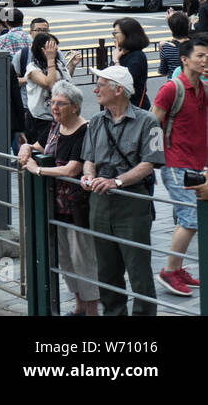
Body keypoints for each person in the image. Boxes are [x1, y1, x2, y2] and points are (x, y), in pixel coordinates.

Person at [81, 64, 164, 315]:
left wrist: (117, 182)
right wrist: (88, 176)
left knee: (138, 269)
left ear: (118, 90)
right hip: (100, 202)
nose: (95, 89)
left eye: (101, 85)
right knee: (106, 270)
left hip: (132, 201)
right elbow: (89, 159)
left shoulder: (149, 120)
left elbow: (151, 163)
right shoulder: (96, 121)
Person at [18, 80, 97, 315]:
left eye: (60, 103)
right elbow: (41, 147)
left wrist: (38, 170)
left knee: (83, 260)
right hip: (55, 206)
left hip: (77, 207)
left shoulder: (85, 130)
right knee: (65, 259)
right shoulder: (55, 126)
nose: (54, 107)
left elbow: (72, 169)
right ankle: (80, 305)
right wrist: (27, 148)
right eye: (52, 102)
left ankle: (92, 309)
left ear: (75, 106)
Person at [150, 35, 208, 297]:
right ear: (184, 59)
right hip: (175, 164)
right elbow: (152, 124)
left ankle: (178, 267)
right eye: (201, 56)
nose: (205, 60)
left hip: (196, 164)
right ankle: (170, 271)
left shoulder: (201, 89)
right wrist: (156, 158)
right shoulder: (172, 88)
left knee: (187, 218)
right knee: (190, 218)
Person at [24, 33, 71, 146]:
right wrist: (50, 59)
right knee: (41, 154)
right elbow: (50, 85)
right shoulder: (32, 68)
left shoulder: (58, 64)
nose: (56, 49)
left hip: (61, 117)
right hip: (41, 120)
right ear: (42, 49)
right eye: (51, 46)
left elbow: (65, 84)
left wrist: (72, 65)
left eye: (56, 45)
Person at [112, 17, 151, 110]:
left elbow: (124, 83)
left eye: (115, 33)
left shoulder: (138, 56)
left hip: (135, 108)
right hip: (119, 106)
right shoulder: (120, 53)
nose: (113, 36)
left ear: (128, 35)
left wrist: (116, 61)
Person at [161, 10, 192, 76]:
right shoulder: (196, 45)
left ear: (170, 28)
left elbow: (163, 71)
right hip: (193, 83)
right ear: (188, 26)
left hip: (174, 84)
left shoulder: (166, 48)